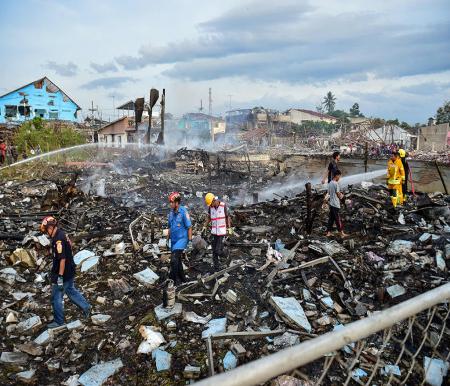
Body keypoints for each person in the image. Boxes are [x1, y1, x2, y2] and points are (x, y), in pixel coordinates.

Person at [40, 216, 91, 328]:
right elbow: (70, 246)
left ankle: (59, 321)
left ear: (51, 227)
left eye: (47, 230)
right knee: (71, 290)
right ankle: (87, 307)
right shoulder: (61, 234)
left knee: (56, 297)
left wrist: (60, 276)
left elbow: (62, 259)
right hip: (69, 269)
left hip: (63, 273)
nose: (47, 233)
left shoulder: (59, 240)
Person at [167, 192, 192, 285]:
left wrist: (189, 241)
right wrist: (167, 239)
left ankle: (174, 280)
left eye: (172, 202)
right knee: (178, 260)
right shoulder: (171, 213)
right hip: (174, 241)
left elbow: (189, 227)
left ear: (177, 203)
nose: (170, 204)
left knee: (174, 260)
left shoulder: (183, 212)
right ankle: (183, 279)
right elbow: (170, 227)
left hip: (182, 239)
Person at [203, 193, 232, 270]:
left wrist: (229, 228)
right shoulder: (210, 207)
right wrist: (204, 226)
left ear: (214, 200)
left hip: (221, 232)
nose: (211, 206)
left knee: (218, 250)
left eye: (211, 204)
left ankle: (227, 254)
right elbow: (209, 217)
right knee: (214, 252)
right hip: (214, 232)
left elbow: (227, 217)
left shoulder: (223, 206)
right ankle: (216, 268)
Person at [326, 170, 347, 237]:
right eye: (339, 176)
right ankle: (341, 233)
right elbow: (338, 194)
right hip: (335, 204)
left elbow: (329, 193)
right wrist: (343, 198)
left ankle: (328, 233)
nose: (339, 178)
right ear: (337, 175)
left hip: (331, 204)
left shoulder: (330, 183)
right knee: (338, 219)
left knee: (331, 219)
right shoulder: (336, 183)